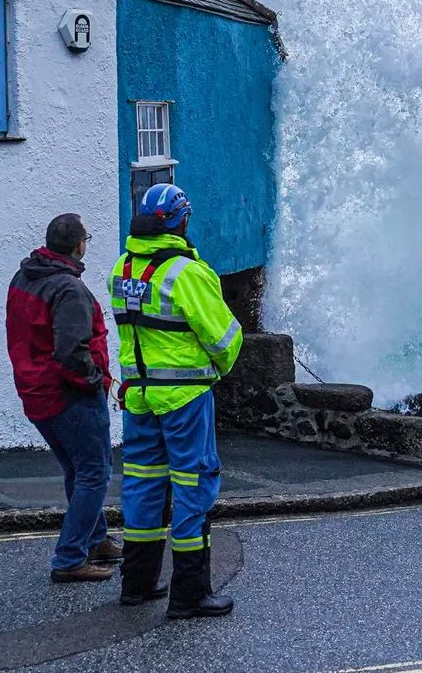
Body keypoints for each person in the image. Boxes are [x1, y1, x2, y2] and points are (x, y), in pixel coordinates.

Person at [109, 184, 244, 618]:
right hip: (184, 399)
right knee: (193, 486)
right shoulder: (186, 273)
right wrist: (217, 370)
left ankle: (138, 584)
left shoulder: (122, 268)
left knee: (143, 486)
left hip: (140, 398)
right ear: (181, 220)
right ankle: (188, 594)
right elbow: (223, 337)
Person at [6, 213, 120, 583]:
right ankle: (69, 557)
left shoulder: (24, 277)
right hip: (70, 395)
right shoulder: (68, 289)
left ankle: (95, 539)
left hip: (36, 392)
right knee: (94, 474)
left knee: (77, 470)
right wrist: (95, 380)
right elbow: (71, 351)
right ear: (78, 245)